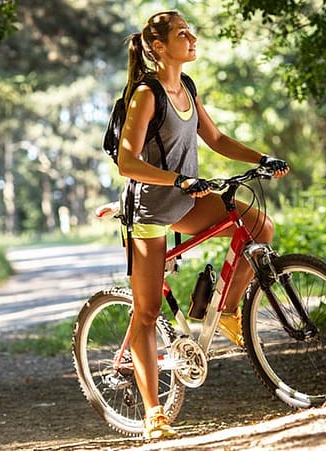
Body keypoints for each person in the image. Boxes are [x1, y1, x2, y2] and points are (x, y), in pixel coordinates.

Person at [116, 11, 290, 439]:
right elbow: (127, 162)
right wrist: (177, 178)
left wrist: (261, 159)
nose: (192, 38)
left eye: (190, 31)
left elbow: (215, 139)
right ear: (158, 47)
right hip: (152, 210)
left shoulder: (186, 88)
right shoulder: (147, 94)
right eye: (182, 34)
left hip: (187, 198)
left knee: (258, 227)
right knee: (147, 312)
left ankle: (227, 309)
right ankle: (154, 415)